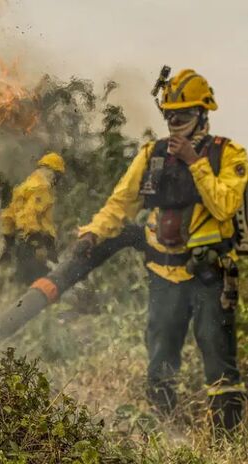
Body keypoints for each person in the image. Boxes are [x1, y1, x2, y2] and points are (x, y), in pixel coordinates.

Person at [77, 69, 248, 432]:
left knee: (220, 365)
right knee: (160, 364)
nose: (174, 122)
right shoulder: (151, 155)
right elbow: (120, 204)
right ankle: (169, 435)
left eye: (182, 115)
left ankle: (225, 439)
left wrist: (194, 161)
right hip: (163, 275)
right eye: (169, 115)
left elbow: (224, 206)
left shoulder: (227, 154)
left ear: (202, 114)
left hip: (211, 277)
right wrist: (93, 233)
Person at [0, 152, 65, 285]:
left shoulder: (25, 186)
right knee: (49, 286)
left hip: (22, 244)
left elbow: (8, 216)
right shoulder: (42, 187)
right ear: (51, 171)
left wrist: (9, 244)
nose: (57, 180)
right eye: (58, 175)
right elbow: (30, 215)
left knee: (24, 285)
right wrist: (37, 244)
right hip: (38, 244)